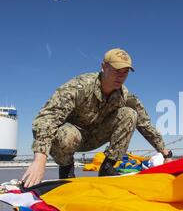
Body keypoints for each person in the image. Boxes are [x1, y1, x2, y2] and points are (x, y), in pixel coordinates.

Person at [22, 48, 173, 188]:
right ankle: (66, 168)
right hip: (71, 138)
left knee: (130, 114)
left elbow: (145, 125)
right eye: (117, 70)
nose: (121, 76)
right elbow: (47, 117)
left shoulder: (125, 95)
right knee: (67, 134)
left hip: (95, 136)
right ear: (104, 66)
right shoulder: (80, 86)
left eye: (125, 72)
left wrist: (166, 154)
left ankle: (107, 167)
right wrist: (40, 159)